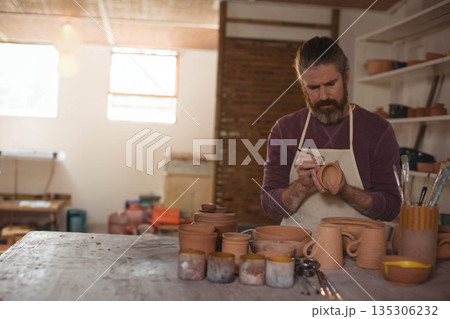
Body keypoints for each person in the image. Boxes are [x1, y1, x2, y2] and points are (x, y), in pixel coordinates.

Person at [261, 36, 401, 233]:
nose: (324, 96)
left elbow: (392, 207)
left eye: (330, 84)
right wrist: (301, 186)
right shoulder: (285, 130)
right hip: (300, 249)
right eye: (314, 88)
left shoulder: (377, 131)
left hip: (356, 251)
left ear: (346, 76)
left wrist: (345, 190)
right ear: (302, 86)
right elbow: (269, 205)